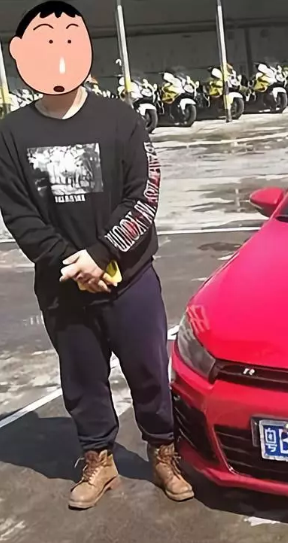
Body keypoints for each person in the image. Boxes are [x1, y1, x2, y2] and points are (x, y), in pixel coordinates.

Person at [0, 1, 193, 509]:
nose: (58, 52)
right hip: (64, 286)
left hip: (130, 280)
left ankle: (163, 453)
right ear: (21, 52)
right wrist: (74, 263)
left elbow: (144, 194)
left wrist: (102, 253)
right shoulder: (12, 134)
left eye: (68, 40)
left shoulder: (121, 120)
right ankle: (98, 460)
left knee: (149, 372)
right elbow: (18, 213)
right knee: (82, 379)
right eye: (45, 42)